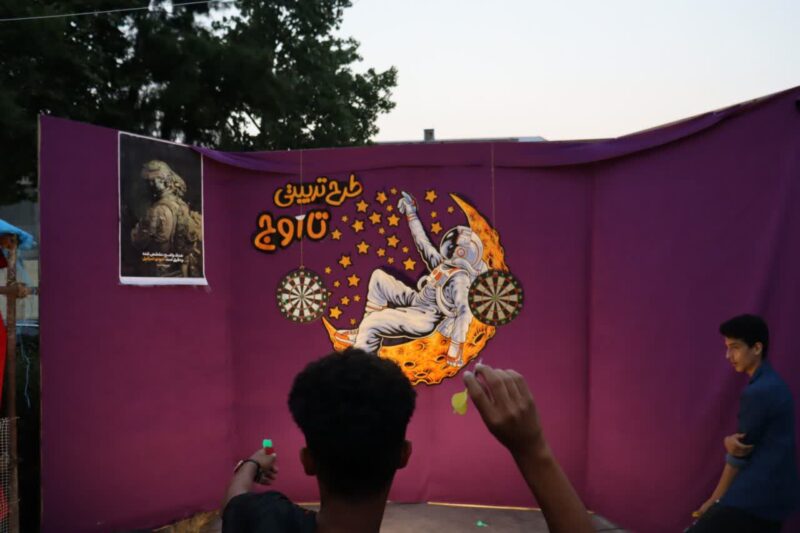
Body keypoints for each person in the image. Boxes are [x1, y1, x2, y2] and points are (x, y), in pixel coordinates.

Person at [222, 349, 593, 532]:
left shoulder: (262, 520)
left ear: (308, 461)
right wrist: (532, 449)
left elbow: (235, 501)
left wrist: (252, 463)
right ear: (404, 455)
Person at [333, 191, 487, 367]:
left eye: (456, 246)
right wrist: (411, 213)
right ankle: (363, 332)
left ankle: (363, 368)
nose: (451, 247)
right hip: (417, 301)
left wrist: (455, 347)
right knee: (378, 278)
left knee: (372, 322)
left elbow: (464, 311)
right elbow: (423, 243)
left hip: (424, 317)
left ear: (464, 252)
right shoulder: (443, 265)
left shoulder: (460, 279)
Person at [689, 314, 800, 532]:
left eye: (735, 347)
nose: (728, 355)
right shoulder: (772, 382)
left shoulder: (758, 391)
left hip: (757, 496)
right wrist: (730, 441)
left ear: (757, 348)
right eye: (727, 348)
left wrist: (713, 500)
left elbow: (739, 455)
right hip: (776, 497)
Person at [130, 160, 203, 278]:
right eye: (149, 182)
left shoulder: (157, 210)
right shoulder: (182, 205)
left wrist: (135, 230)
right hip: (180, 272)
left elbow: (138, 242)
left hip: (160, 274)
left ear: (164, 181)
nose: (150, 185)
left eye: (151, 181)